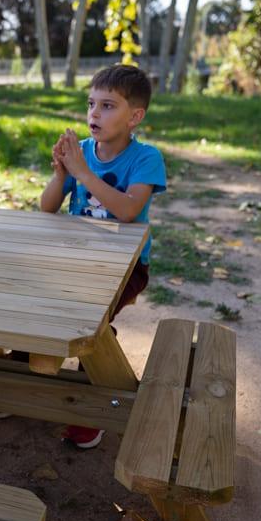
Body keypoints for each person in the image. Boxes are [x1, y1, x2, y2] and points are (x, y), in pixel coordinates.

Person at [39, 64, 167, 448]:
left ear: (135, 117)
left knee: (88, 324)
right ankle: (17, 373)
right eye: (91, 103)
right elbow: (47, 208)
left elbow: (128, 210)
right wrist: (63, 174)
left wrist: (83, 172)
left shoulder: (146, 159)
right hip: (76, 259)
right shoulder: (82, 156)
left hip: (127, 267)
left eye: (108, 105)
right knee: (35, 302)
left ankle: (93, 410)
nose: (95, 113)